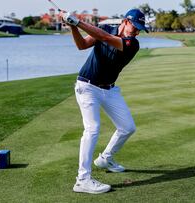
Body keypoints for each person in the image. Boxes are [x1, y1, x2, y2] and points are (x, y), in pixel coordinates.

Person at [60, 8, 148, 194]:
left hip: (110, 90)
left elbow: (106, 38)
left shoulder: (133, 44)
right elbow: (82, 45)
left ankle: (106, 158)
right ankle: (82, 179)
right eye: (136, 27)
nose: (138, 32)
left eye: (140, 29)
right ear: (125, 21)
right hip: (87, 87)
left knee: (128, 127)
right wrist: (72, 27)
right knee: (92, 129)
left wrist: (78, 22)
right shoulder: (106, 27)